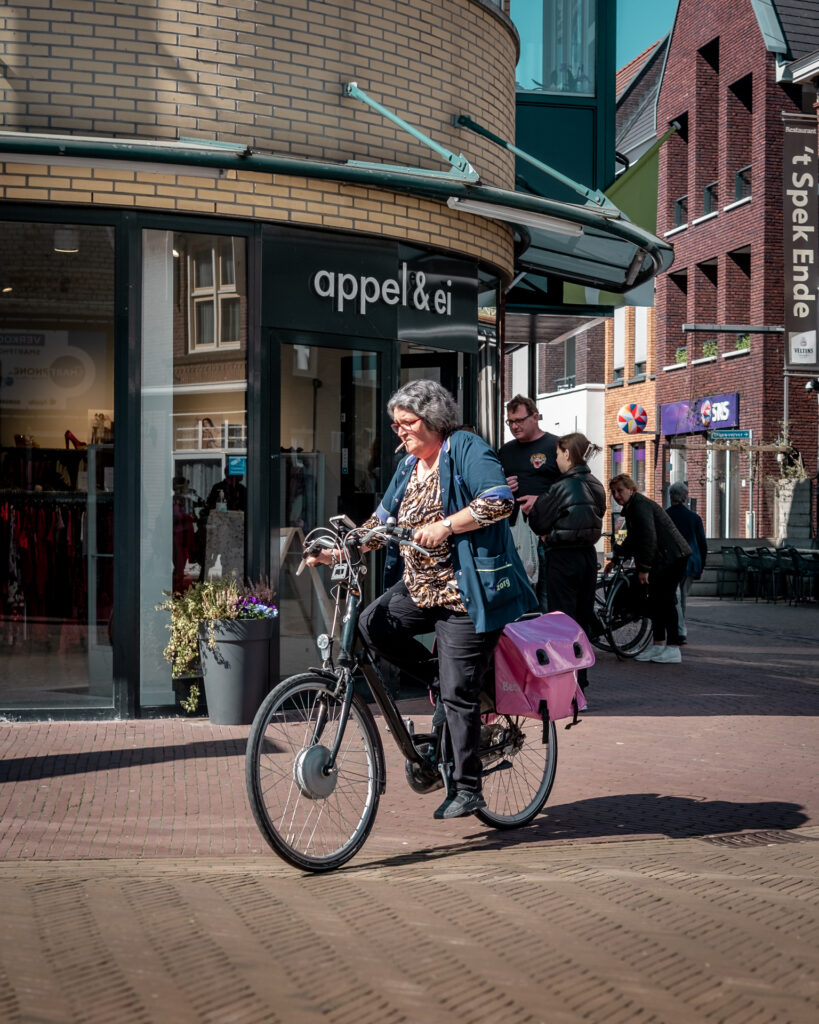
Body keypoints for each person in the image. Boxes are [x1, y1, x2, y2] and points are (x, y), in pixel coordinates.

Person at [307, 380, 537, 820]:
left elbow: (498, 501)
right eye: (395, 425)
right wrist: (339, 550)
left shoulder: (465, 447)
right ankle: (443, 680)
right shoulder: (409, 465)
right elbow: (380, 522)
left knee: (457, 691)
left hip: (465, 595)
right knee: (372, 625)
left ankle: (468, 787)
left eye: (407, 423)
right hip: (420, 589)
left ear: (433, 418)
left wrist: (447, 526)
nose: (400, 432)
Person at [527, 432, 606, 691]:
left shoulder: (560, 487)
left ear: (568, 455)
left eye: (559, 454)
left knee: (561, 621)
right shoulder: (596, 484)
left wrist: (547, 530)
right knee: (581, 620)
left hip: (561, 556)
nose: (556, 459)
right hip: (588, 557)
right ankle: (581, 683)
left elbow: (538, 520)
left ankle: (566, 685)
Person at [607, 474, 691, 664]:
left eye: (620, 490)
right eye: (613, 492)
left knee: (666, 600)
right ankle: (659, 644)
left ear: (631, 489)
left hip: (672, 557)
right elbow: (629, 537)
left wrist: (644, 568)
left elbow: (648, 537)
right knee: (655, 601)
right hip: (663, 558)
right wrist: (615, 558)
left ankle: (673, 648)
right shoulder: (631, 508)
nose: (616, 495)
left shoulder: (639, 506)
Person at [498, 395, 560, 611]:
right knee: (515, 591)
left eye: (520, 420)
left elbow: (572, 489)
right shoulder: (505, 451)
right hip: (512, 532)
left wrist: (542, 501)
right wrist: (502, 486)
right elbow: (490, 488)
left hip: (547, 534)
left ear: (535, 417)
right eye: (510, 422)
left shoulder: (556, 446)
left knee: (546, 595)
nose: (515, 426)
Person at [666, 481, 707, 643]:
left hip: (672, 562)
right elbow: (702, 544)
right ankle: (681, 630)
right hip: (691, 562)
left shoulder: (666, 515)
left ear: (671, 496)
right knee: (683, 597)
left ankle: (679, 630)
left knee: (673, 597)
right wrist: (701, 565)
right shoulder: (694, 518)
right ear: (685, 497)